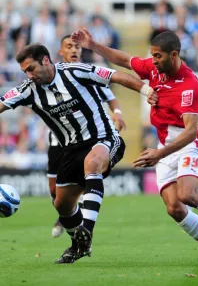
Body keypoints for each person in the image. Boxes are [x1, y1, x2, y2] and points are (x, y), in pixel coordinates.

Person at [72, 28, 198, 265]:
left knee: (187, 195)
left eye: (158, 56)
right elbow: (124, 59)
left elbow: (191, 131)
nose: (153, 61)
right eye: (152, 56)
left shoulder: (189, 86)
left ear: (174, 55)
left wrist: (158, 154)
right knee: (174, 208)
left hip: (190, 144)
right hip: (165, 147)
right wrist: (93, 45)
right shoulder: (155, 68)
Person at [0, 43, 157, 264]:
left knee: (92, 163)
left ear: (46, 60)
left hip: (104, 138)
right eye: (25, 71)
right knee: (62, 204)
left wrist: (147, 90)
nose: (28, 75)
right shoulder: (28, 90)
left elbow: (116, 76)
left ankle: (86, 230)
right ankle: (79, 246)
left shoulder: (75, 72)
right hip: (71, 150)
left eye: (31, 68)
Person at [50, 35, 126, 238]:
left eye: (77, 46)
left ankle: (83, 225)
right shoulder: (50, 75)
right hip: (59, 138)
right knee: (56, 191)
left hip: (90, 136)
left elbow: (110, 96)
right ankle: (68, 214)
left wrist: (117, 114)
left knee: (88, 171)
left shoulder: (88, 71)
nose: (74, 50)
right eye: (69, 46)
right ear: (61, 51)